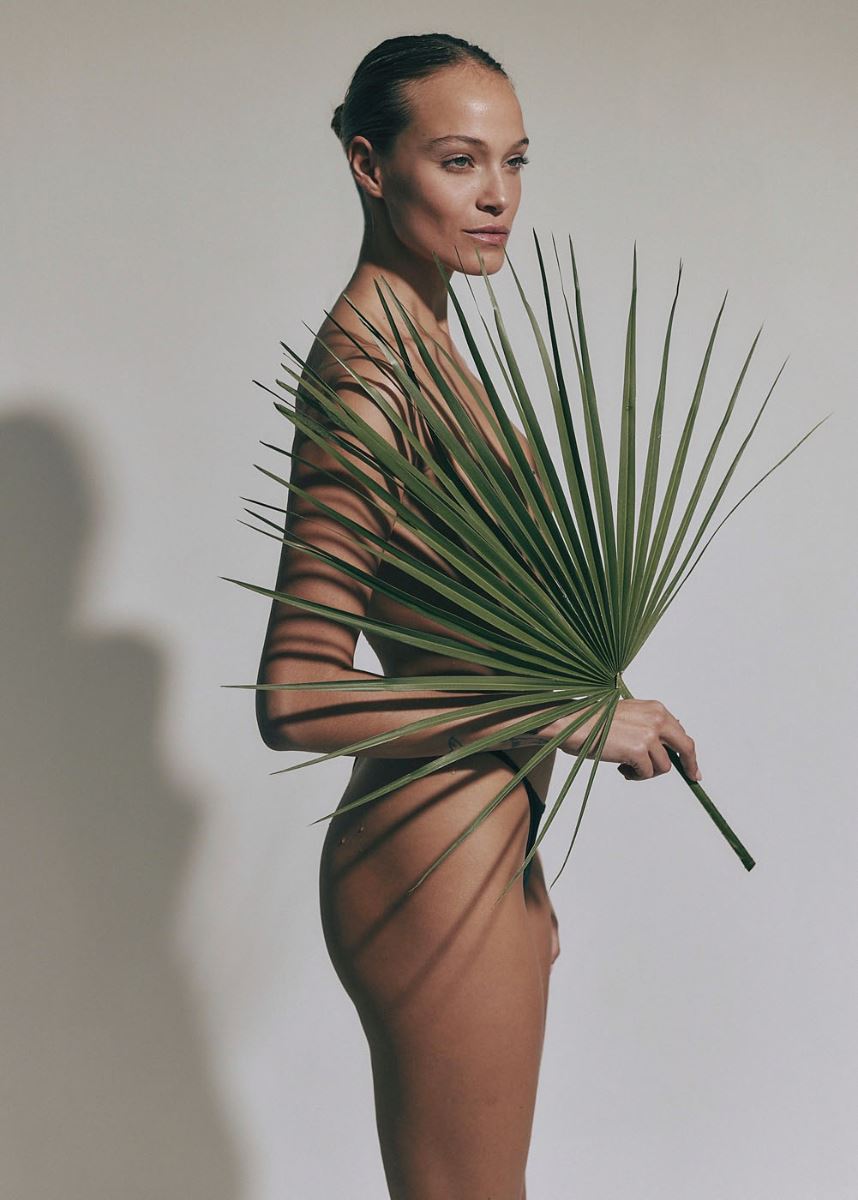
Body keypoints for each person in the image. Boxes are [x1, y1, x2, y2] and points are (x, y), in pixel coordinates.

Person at [255, 33, 702, 1200]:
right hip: (430, 856)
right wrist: (565, 716)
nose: (498, 194)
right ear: (370, 165)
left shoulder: (430, 336)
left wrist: (530, 828)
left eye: (514, 161)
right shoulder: (370, 374)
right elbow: (295, 695)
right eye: (459, 161)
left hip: (480, 833)